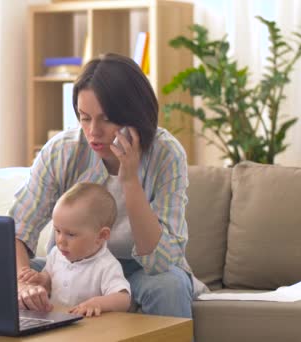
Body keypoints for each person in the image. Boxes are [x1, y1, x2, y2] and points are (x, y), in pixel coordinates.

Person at [10, 53, 193, 318]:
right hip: (70, 263)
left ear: (135, 115)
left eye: (106, 119)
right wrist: (22, 281)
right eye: (85, 118)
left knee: (169, 285)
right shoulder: (63, 150)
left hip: (140, 270)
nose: (93, 132)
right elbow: (18, 229)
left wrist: (130, 179)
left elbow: (159, 261)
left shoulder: (167, 154)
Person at [17, 182, 131, 317]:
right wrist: (41, 280)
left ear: (101, 236)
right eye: (57, 231)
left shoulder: (106, 265)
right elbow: (50, 279)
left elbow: (123, 299)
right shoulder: (56, 254)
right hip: (55, 320)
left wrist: (98, 303)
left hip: (88, 327)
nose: (60, 240)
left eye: (71, 234)